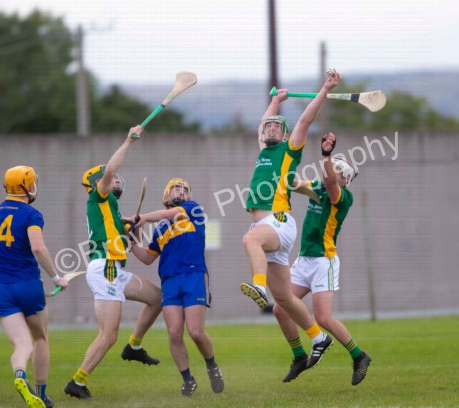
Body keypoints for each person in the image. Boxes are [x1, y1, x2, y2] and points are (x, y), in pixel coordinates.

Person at [239, 74, 342, 370]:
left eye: (276, 127)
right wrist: (275, 102)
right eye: (268, 126)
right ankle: (317, 337)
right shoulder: (263, 152)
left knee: (250, 240)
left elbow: (305, 123)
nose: (270, 128)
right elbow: (262, 124)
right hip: (267, 226)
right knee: (283, 298)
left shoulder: (288, 150)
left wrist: (323, 89)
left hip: (279, 222)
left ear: (285, 135)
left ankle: (258, 287)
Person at [64, 126, 162, 400]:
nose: (116, 179)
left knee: (158, 299)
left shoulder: (112, 210)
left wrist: (135, 226)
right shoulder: (98, 196)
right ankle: (77, 382)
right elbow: (107, 173)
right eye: (112, 177)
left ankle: (134, 347)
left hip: (116, 269)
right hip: (104, 268)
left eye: (118, 177)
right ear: (98, 182)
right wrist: (128, 141)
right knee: (108, 336)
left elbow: (133, 245)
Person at [273, 133, 371, 384]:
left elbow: (330, 185)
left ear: (347, 179)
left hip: (323, 262)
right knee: (280, 308)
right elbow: (293, 183)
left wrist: (326, 156)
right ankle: (298, 357)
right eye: (335, 168)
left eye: (342, 171)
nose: (338, 173)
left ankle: (359, 356)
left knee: (323, 319)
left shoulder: (343, 197)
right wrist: (284, 157)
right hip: (304, 259)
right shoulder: (319, 186)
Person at [128, 178, 224, 397]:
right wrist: (132, 241)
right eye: (176, 189)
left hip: (193, 275)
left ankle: (212, 366)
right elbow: (148, 258)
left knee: (196, 332)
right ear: (166, 196)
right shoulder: (160, 229)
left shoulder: (192, 209)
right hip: (170, 281)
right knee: (173, 333)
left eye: (185, 190)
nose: (182, 192)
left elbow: (165, 214)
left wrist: (142, 218)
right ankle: (188, 380)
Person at [0, 165, 69, 408]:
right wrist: (56, 278)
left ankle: (20, 375)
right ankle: (41, 395)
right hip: (28, 285)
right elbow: (38, 248)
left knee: (22, 346)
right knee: (40, 338)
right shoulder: (32, 214)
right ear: (28, 186)